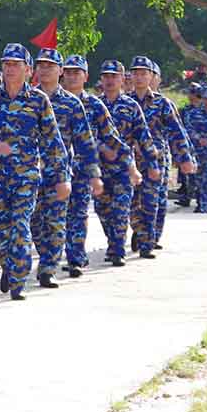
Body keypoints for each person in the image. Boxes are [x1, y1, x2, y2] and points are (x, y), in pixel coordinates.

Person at [0, 44, 68, 299]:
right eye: (6, 64)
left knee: (20, 225)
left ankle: (19, 281)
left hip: (25, 177)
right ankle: (10, 265)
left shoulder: (37, 100)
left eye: (15, 64)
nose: (10, 69)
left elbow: (52, 143)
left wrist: (60, 178)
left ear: (28, 69)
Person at [31, 48, 100, 287]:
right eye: (41, 65)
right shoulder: (26, 99)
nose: (45, 70)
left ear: (59, 71)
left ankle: (48, 268)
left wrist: (94, 175)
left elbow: (85, 142)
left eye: (50, 66)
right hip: (27, 174)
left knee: (57, 222)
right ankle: (44, 255)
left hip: (58, 173)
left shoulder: (71, 104)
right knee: (34, 223)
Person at [61, 55, 125, 277]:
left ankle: (75, 258)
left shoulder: (95, 105)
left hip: (82, 170)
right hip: (53, 170)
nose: (71, 76)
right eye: (68, 72)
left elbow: (112, 137)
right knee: (48, 218)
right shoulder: (49, 101)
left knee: (77, 213)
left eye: (76, 73)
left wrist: (131, 163)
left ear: (85, 77)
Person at [128, 56, 193, 257]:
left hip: (155, 160)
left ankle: (149, 240)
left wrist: (185, 158)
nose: (139, 77)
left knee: (152, 200)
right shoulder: (124, 102)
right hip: (130, 161)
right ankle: (140, 231)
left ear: (151, 76)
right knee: (131, 201)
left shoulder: (163, 103)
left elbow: (177, 132)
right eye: (136, 73)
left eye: (143, 73)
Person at [96, 60, 152, 266]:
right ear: (101, 79)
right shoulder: (94, 105)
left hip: (123, 168)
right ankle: (112, 243)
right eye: (106, 76)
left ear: (122, 78)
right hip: (99, 169)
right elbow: (85, 136)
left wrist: (152, 163)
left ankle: (118, 249)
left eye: (114, 76)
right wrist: (102, 148)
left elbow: (143, 137)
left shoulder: (131, 106)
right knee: (103, 211)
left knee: (121, 210)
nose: (110, 80)